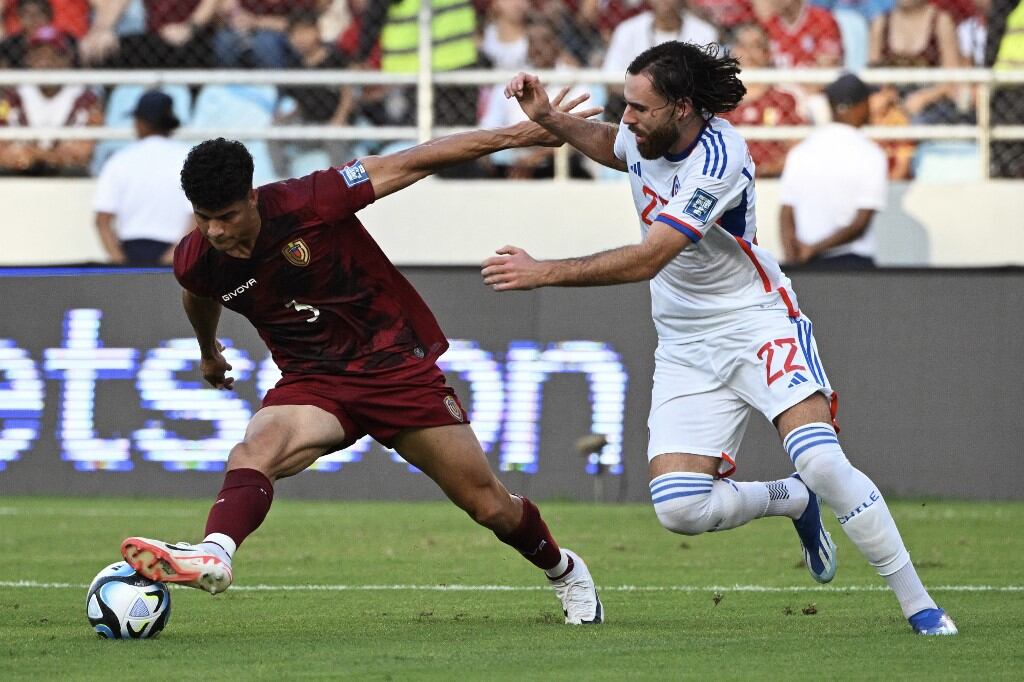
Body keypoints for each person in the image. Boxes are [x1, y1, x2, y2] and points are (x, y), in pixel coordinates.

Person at [488, 41, 957, 635]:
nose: (626, 118)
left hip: (754, 320)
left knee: (821, 459)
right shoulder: (647, 133)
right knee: (681, 508)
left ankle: (920, 606)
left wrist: (544, 271)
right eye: (623, 104)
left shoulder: (719, 158)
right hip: (684, 342)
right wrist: (552, 120)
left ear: (683, 108)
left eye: (639, 108)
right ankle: (790, 499)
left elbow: (650, 257)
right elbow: (617, 147)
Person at [118, 94, 605, 626]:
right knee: (255, 448)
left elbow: (415, 159)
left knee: (489, 506)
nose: (214, 231)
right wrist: (208, 351)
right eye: (203, 218)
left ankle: (565, 571)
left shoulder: (312, 200)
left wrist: (519, 136)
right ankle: (214, 552)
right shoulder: (198, 256)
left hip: (394, 367)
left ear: (252, 198)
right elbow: (198, 293)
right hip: (313, 382)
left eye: (226, 216)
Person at [778, 74, 887, 268]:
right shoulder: (871, 154)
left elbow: (786, 213)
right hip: (853, 264)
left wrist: (793, 257)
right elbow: (860, 224)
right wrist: (813, 249)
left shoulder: (801, 151)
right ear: (858, 106)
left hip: (805, 265)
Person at [92, 90, 194, 266]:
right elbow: (198, 218)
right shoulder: (189, 158)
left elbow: (102, 221)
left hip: (130, 252)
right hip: (179, 251)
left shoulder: (120, 159)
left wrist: (120, 263)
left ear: (140, 123)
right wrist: (173, 257)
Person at [0, 25, 100, 177]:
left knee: (75, 171)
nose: (45, 62)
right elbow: (3, 152)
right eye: (38, 54)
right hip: (22, 170)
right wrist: (48, 156)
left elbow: (83, 152)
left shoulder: (86, 99)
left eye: (54, 54)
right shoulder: (11, 98)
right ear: (28, 59)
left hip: (63, 172)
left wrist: (35, 154)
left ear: (67, 59)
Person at [720, 23, 805, 178]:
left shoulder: (783, 100)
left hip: (774, 180)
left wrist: (766, 170)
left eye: (756, 46)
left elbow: (798, 150)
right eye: (743, 46)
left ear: (768, 54)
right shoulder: (718, 102)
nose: (749, 53)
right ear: (732, 53)